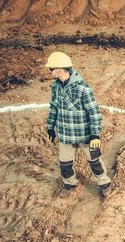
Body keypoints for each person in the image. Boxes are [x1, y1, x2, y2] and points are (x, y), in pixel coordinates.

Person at [45, 51, 112, 198]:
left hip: (85, 135)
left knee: (94, 161)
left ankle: (105, 184)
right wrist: (50, 127)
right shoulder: (55, 87)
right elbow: (54, 107)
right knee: (65, 163)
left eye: (51, 69)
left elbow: (94, 112)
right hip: (65, 134)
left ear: (60, 70)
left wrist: (95, 134)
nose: (49, 71)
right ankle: (69, 184)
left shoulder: (83, 88)